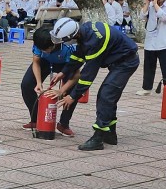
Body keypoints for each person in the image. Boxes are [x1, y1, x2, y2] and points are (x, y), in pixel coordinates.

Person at [51, 17, 139, 151]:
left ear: (73, 35)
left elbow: (87, 75)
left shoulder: (95, 41)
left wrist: (72, 96)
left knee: (105, 95)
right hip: (118, 61)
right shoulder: (84, 32)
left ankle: (98, 138)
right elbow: (79, 56)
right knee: (110, 96)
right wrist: (63, 72)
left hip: (126, 62)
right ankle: (110, 134)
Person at [20, 28, 79, 136]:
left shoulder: (68, 47)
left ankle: (63, 124)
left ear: (54, 43)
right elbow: (36, 62)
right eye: (42, 50)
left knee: (72, 92)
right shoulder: (39, 44)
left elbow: (76, 75)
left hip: (66, 64)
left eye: (47, 49)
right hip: (45, 63)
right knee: (27, 85)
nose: (45, 52)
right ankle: (37, 119)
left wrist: (61, 91)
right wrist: (38, 82)